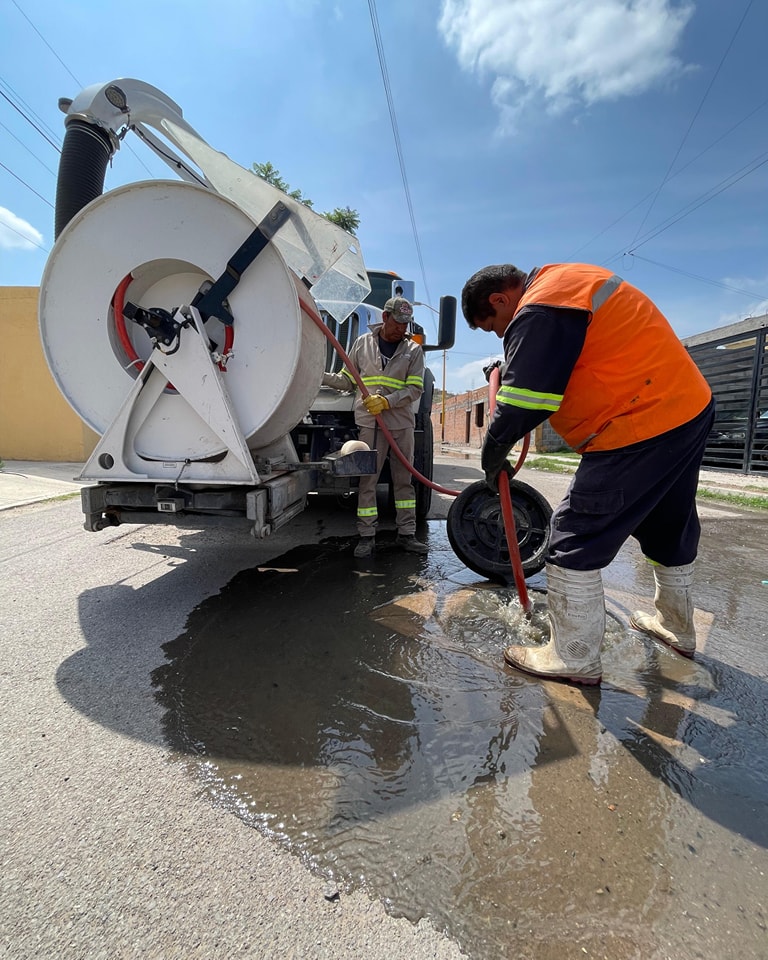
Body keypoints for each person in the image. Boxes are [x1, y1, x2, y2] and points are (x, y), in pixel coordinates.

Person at [462, 262, 715, 685]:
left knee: (574, 534)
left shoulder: (540, 305)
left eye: (493, 326)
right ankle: (676, 628)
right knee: (667, 525)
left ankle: (573, 656)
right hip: (685, 409)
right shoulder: (570, 280)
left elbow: (526, 401)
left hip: (638, 421)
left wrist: (492, 453)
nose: (501, 335)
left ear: (499, 300)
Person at [322, 296, 429, 558]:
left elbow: (416, 388)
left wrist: (387, 401)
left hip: (400, 423)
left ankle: (406, 534)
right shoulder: (362, 343)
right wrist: (319, 375)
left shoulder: (413, 351)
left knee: (404, 481)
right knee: (367, 480)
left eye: (406, 324)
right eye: (397, 323)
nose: (402, 329)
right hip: (370, 423)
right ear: (385, 317)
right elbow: (348, 381)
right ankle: (367, 536)